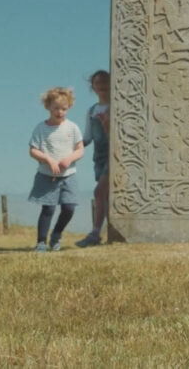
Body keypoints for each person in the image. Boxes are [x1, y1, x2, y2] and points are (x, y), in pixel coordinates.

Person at [28, 87, 84, 252]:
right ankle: (41, 242)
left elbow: (80, 149)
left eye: (64, 109)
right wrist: (48, 159)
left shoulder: (72, 128)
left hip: (69, 175)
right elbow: (33, 150)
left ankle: (57, 234)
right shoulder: (41, 128)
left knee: (69, 207)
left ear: (69, 108)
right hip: (47, 176)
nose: (60, 112)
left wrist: (70, 158)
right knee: (48, 208)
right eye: (56, 109)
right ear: (48, 107)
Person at [76, 70, 110, 247]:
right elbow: (87, 137)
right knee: (106, 196)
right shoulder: (92, 111)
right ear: (93, 87)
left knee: (99, 191)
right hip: (100, 157)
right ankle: (108, 232)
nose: (102, 85)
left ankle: (95, 232)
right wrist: (71, 150)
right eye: (98, 83)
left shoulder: (117, 107)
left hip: (114, 156)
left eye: (105, 81)